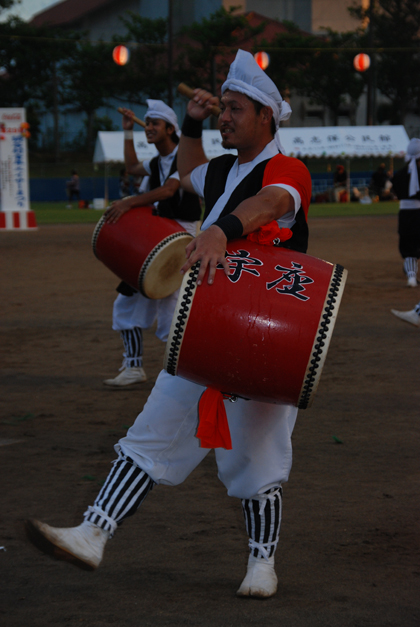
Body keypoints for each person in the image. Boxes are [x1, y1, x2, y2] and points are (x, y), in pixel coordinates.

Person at [25, 50, 312, 599]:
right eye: (221, 108)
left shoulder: (286, 169)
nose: (224, 116)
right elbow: (186, 172)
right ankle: (92, 532)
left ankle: (261, 563)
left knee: (258, 461)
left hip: (263, 333)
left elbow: (274, 203)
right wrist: (195, 122)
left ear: (266, 117)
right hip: (205, 328)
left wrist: (223, 229)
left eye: (233, 109)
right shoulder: (224, 169)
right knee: (151, 430)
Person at [102, 101, 201, 387]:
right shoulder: (157, 162)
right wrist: (128, 132)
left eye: (154, 123)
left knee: (171, 312)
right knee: (126, 303)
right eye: (148, 122)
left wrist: (129, 202)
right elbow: (133, 167)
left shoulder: (186, 157)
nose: (150, 127)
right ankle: (133, 367)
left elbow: (170, 190)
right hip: (156, 238)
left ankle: (186, 374)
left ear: (171, 129)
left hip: (180, 239)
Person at [391, 138, 420, 287]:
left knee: (408, 247)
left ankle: (411, 277)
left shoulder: (400, 174)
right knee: (415, 247)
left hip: (405, 215)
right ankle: (411, 272)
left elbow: (394, 191)